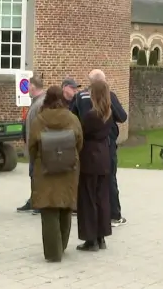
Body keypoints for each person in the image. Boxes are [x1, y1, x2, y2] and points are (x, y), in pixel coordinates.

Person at [28, 85, 84, 262]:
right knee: (65, 205)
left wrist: (38, 159)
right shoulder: (72, 118)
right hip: (68, 168)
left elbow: (31, 146)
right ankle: (63, 245)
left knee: (49, 208)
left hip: (45, 169)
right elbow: (79, 142)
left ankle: (53, 252)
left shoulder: (39, 119)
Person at [72, 69, 128, 227]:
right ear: (104, 82)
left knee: (88, 182)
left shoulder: (80, 96)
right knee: (109, 179)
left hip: (86, 145)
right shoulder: (109, 96)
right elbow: (122, 117)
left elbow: (72, 115)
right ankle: (114, 215)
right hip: (106, 144)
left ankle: (90, 214)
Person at [75, 79, 114, 251]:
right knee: (102, 198)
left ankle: (91, 239)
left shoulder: (92, 115)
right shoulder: (109, 113)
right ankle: (101, 236)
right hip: (104, 156)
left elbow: (82, 133)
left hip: (90, 157)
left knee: (88, 198)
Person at [17, 76, 45, 214]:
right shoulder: (36, 102)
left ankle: (39, 202)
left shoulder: (41, 103)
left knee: (37, 175)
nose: (27, 89)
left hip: (38, 148)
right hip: (33, 147)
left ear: (33, 87)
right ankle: (34, 200)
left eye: (28, 87)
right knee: (33, 174)